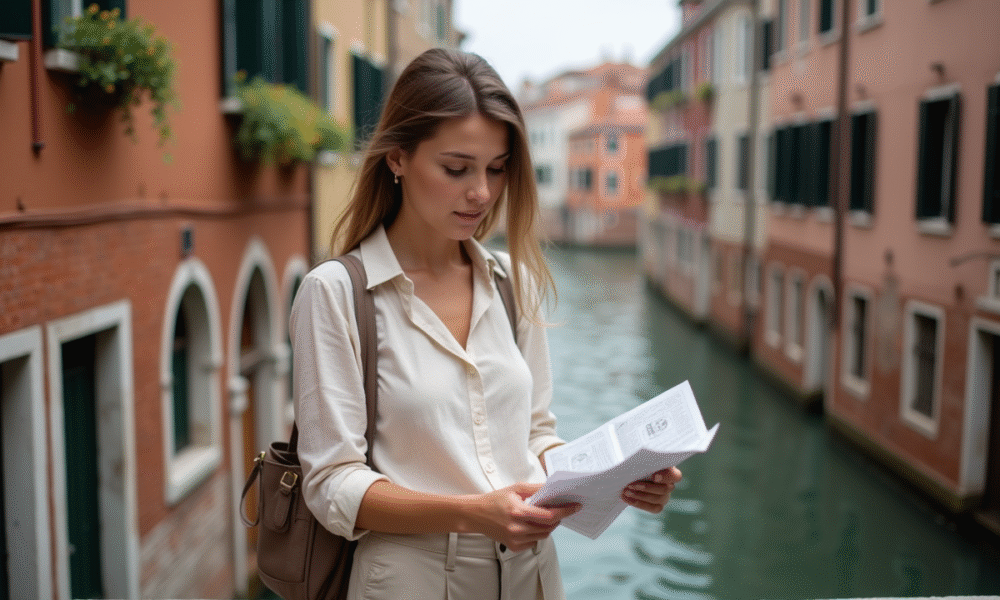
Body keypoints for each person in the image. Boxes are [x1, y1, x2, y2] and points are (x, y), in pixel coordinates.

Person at [289, 48, 683, 600]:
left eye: (497, 169)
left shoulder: (512, 281)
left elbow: (536, 432)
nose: (481, 192)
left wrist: (614, 480)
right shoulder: (333, 293)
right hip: (408, 583)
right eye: (456, 169)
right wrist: (474, 514)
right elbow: (331, 485)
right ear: (397, 158)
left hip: (532, 578)